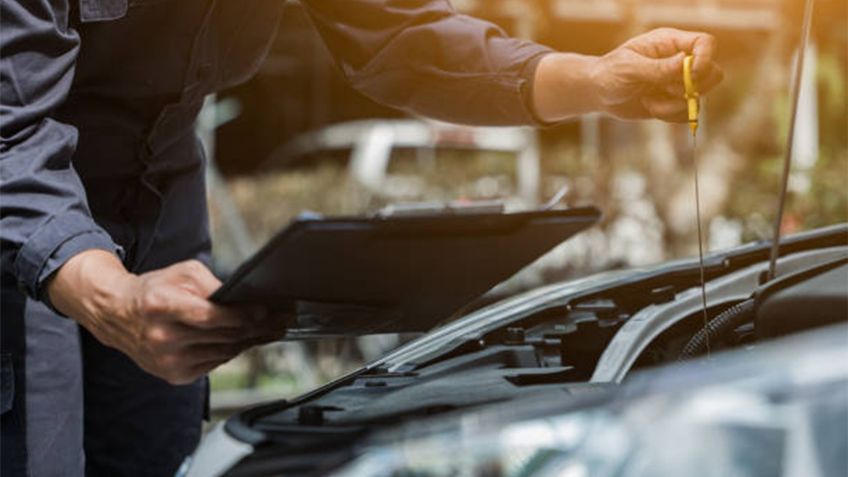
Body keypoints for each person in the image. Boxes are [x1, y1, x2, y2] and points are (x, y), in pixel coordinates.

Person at [0, 0, 722, 475]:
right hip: (25, 208)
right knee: (38, 448)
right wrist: (110, 295)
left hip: (162, 193)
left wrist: (595, 79)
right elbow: (12, 130)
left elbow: (401, 37)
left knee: (159, 455)